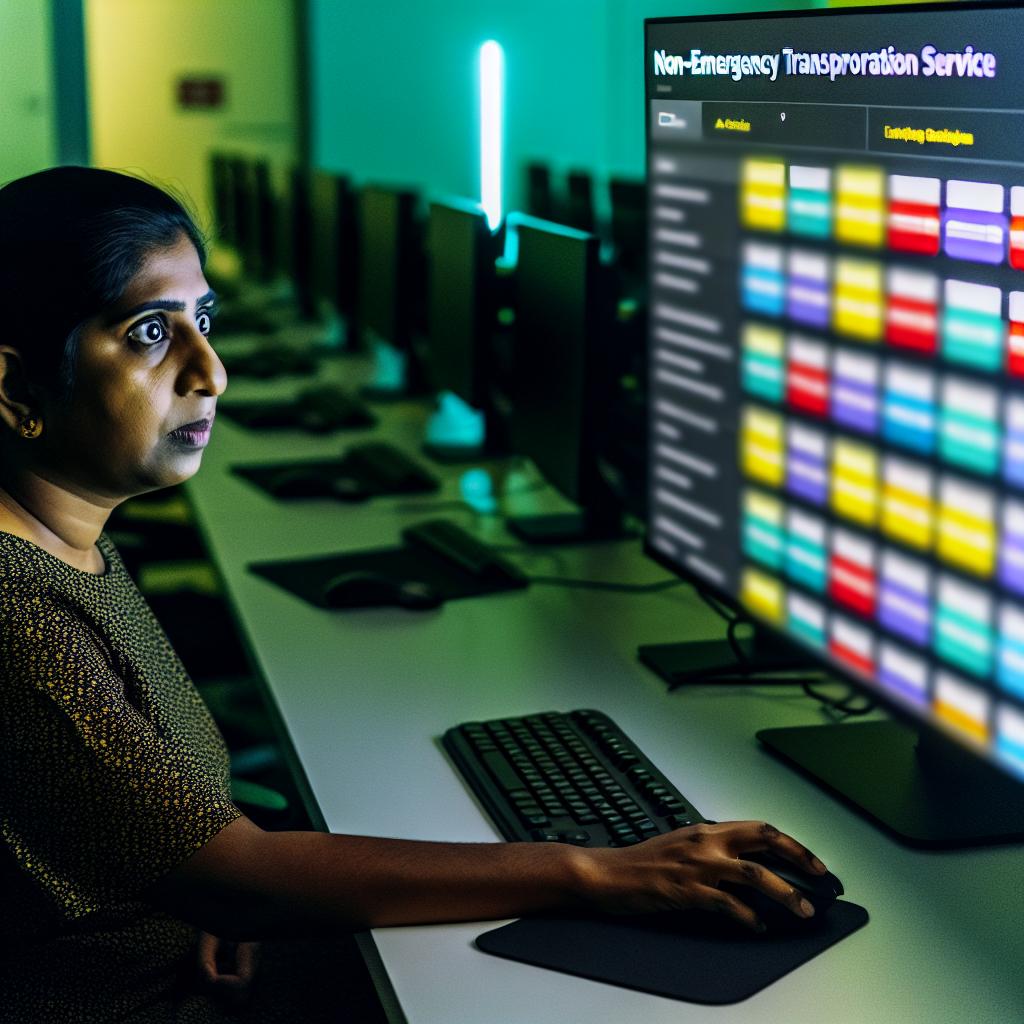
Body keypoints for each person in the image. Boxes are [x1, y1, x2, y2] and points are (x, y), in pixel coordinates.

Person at [0, 166, 831, 1022]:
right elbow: (237, 881)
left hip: (190, 946)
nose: (209, 371)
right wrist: (599, 870)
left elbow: (200, 861)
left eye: (203, 321)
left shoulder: (68, 539)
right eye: (149, 331)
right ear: (17, 387)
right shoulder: (18, 607)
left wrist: (212, 886)